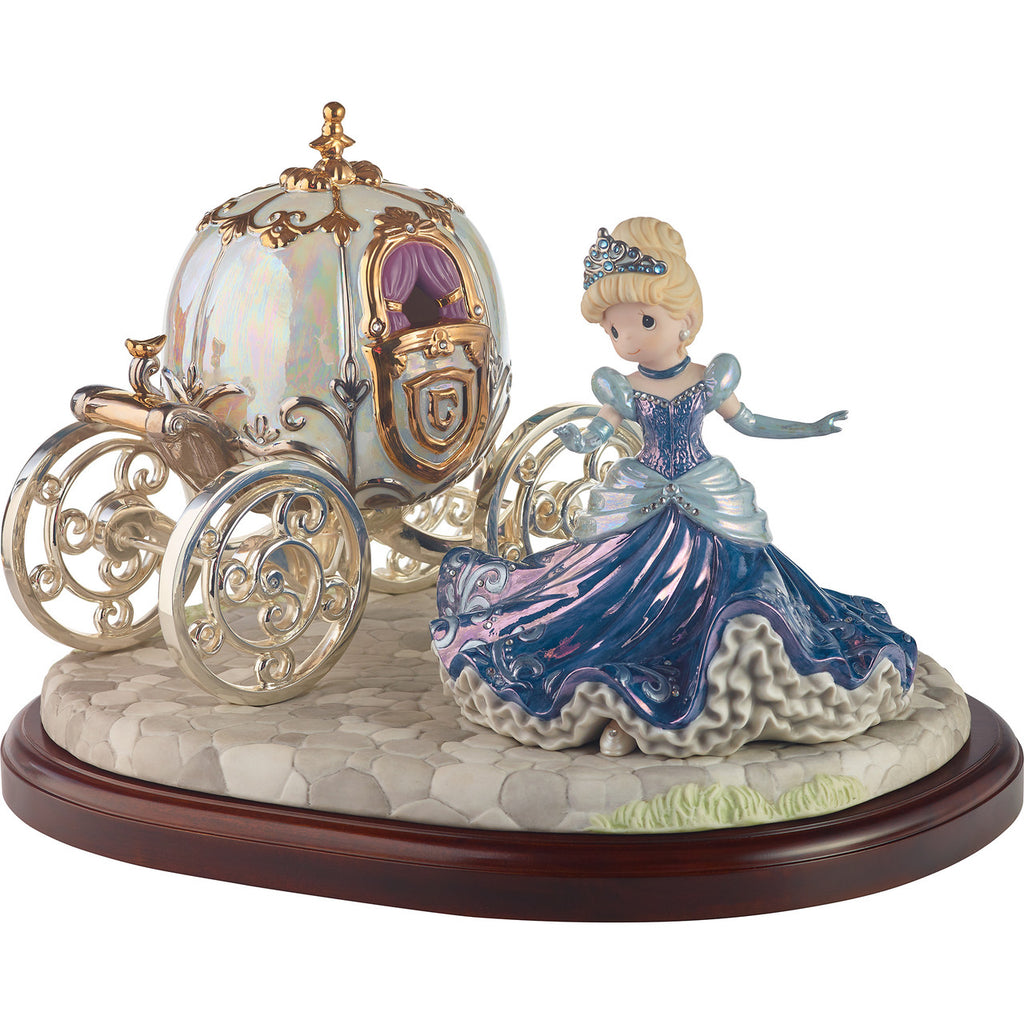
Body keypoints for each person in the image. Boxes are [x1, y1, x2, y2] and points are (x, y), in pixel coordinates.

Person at [432, 217, 916, 757]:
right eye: (614, 331)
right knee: (612, 595)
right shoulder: (621, 386)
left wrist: (809, 427)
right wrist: (580, 437)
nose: (629, 339)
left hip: (704, 495)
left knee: (727, 585)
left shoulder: (710, 378)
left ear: (685, 321)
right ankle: (624, 696)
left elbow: (749, 421)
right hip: (644, 497)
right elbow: (599, 431)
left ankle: (697, 690)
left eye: (644, 322)